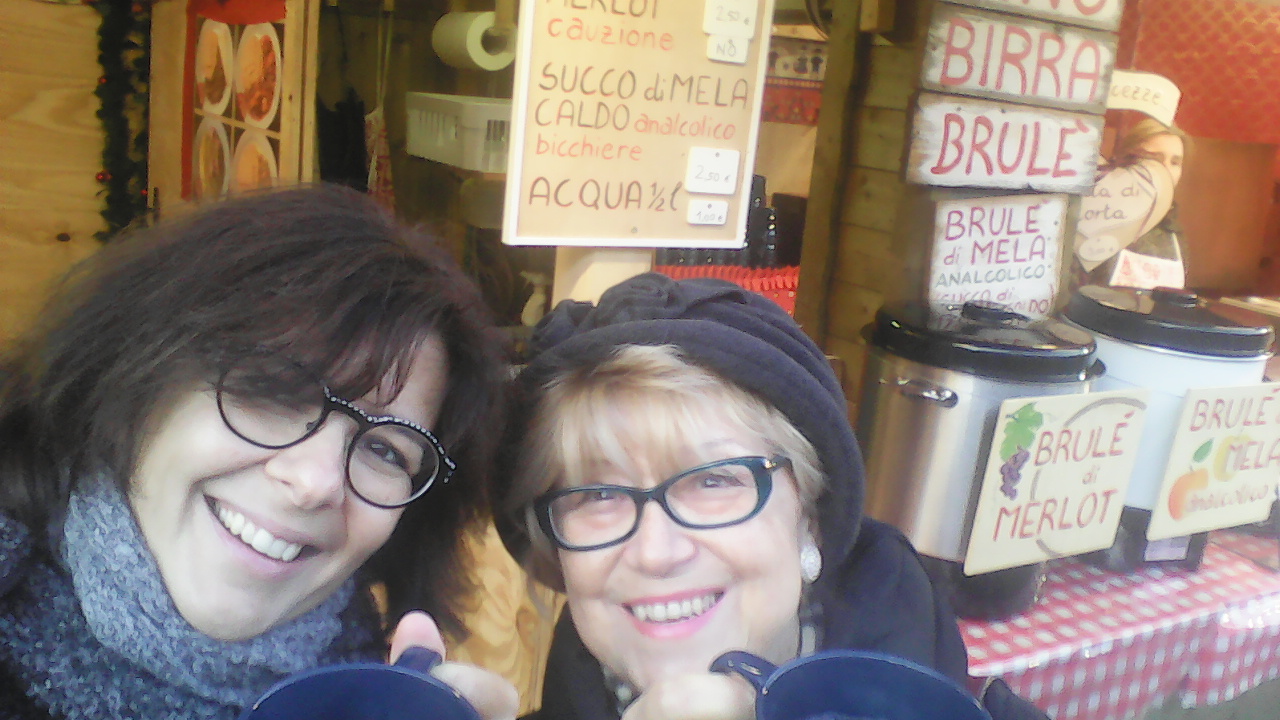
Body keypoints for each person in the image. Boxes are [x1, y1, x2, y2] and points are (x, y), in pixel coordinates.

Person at [0, 184, 518, 720]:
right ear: (137, 376)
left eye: (386, 451)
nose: (315, 482)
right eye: (274, 391)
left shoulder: (374, 701)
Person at [493, 273, 1050, 720]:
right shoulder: (568, 692)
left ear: (809, 519)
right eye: (597, 494)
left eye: (714, 480)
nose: (655, 552)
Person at [1073, 118, 1191, 291]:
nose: (1166, 170)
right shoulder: (1096, 216)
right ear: (1127, 161)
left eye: (1175, 162)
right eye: (1155, 159)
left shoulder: (1174, 235)